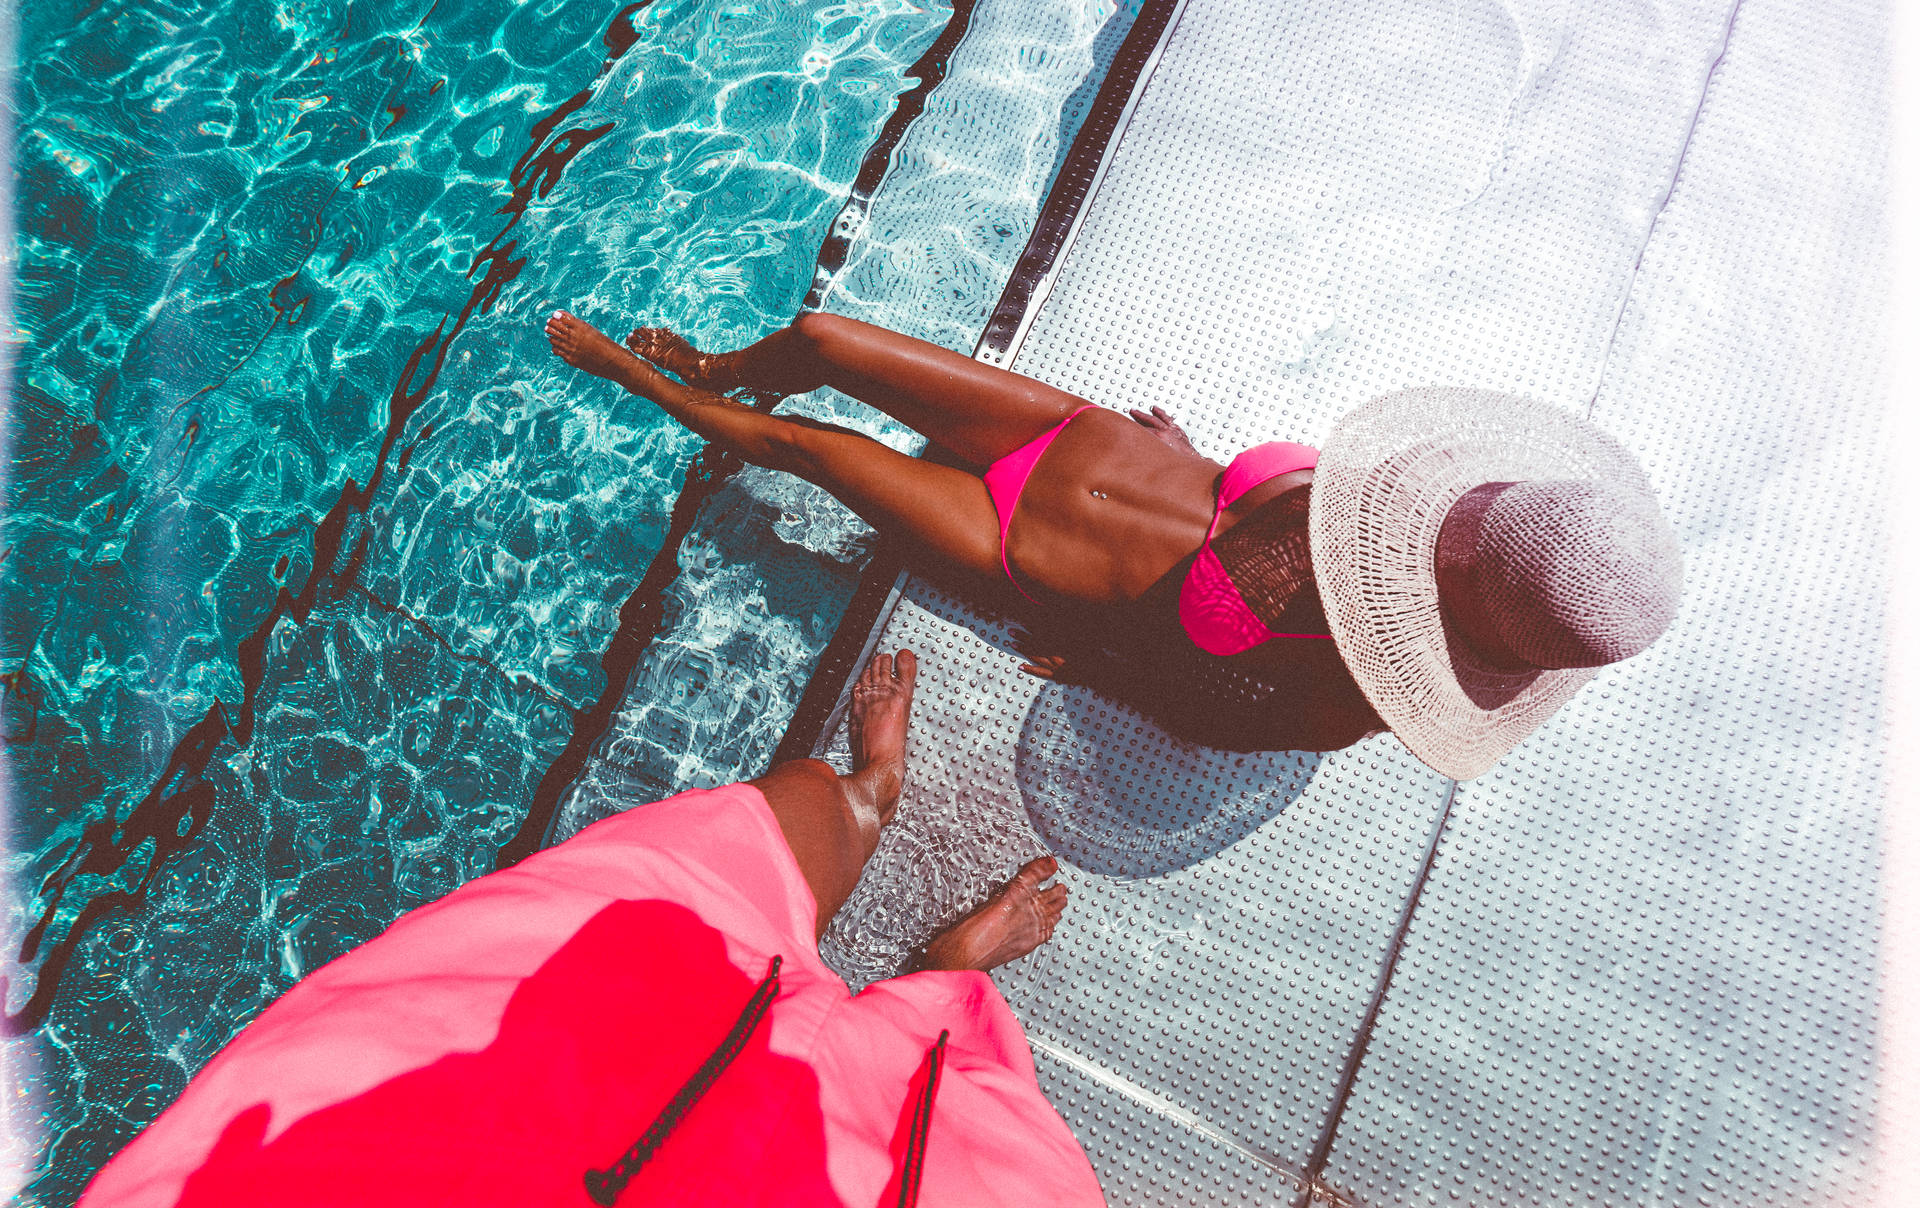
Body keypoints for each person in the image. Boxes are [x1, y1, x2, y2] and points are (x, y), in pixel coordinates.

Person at [40, 652, 1125, 1208]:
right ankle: (943, 970)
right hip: (876, 1204)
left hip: (527, 1111)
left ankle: (867, 795)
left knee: (767, 833)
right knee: (936, 1070)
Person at [546, 311, 1682, 779]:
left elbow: (1219, 717)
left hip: (1012, 540)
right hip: (1062, 432)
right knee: (821, 339)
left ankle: (643, 380)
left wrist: (1098, 664)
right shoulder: (1408, 506)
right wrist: (1195, 455)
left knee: (808, 446)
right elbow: (1256, 506)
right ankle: (716, 364)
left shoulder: (1355, 690)